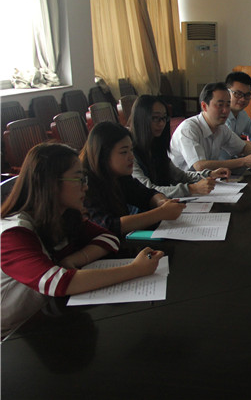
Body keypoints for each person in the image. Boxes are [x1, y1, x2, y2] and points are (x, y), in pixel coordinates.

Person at [0, 143, 164, 336]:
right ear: (51, 183)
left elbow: (108, 237)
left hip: (47, 317)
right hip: (13, 333)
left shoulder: (64, 214)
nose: (85, 187)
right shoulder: (12, 233)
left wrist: (75, 259)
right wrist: (135, 269)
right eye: (79, 179)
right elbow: (56, 282)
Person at [82, 121, 185, 238]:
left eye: (131, 150)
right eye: (124, 152)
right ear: (102, 156)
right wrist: (161, 213)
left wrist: (161, 202)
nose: (131, 157)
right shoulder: (85, 185)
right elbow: (108, 226)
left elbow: (146, 194)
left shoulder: (120, 175)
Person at [129, 95, 230, 198]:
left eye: (164, 118)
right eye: (155, 118)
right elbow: (148, 190)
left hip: (165, 204)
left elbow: (180, 176)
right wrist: (192, 189)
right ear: (141, 119)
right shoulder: (129, 152)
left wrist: (209, 174)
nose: (162, 123)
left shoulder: (156, 146)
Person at [169, 82, 251, 172]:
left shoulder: (221, 128)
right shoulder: (189, 129)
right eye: (220, 105)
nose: (225, 111)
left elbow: (242, 147)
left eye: (227, 105)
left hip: (207, 180)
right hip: (182, 184)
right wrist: (244, 161)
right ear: (204, 106)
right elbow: (200, 166)